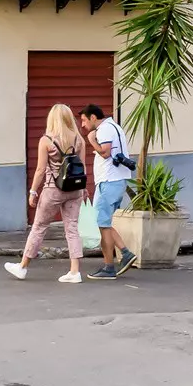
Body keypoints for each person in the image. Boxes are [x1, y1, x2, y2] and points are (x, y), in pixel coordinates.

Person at [7, 103, 89, 283]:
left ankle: (22, 267)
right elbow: (82, 167)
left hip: (53, 189)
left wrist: (33, 192)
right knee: (72, 229)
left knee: (39, 227)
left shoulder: (47, 140)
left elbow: (40, 170)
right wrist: (84, 189)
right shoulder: (79, 139)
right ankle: (75, 272)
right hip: (75, 189)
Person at [79, 104, 138, 279]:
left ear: (93, 117)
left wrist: (91, 140)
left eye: (83, 120)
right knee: (103, 223)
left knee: (102, 223)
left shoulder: (104, 130)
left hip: (109, 182)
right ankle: (121, 257)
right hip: (113, 181)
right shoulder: (114, 127)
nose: (82, 125)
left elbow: (104, 153)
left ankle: (111, 264)